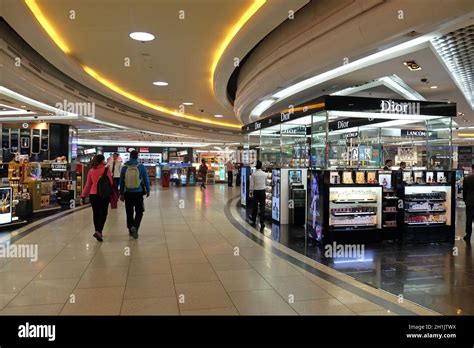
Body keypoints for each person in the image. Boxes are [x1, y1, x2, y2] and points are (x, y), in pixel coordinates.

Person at [80, 154, 113, 242]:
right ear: (102, 161)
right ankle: (99, 231)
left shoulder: (91, 170)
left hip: (93, 195)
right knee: (103, 213)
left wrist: (83, 196)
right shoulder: (106, 169)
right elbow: (111, 182)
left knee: (96, 214)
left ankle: (97, 231)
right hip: (103, 195)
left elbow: (87, 185)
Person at [119, 150, 150, 239]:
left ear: (130, 156)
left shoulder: (124, 167)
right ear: (137, 156)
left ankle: (130, 229)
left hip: (128, 193)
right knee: (139, 211)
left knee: (129, 212)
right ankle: (135, 227)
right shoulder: (141, 167)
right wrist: (148, 190)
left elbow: (121, 181)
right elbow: (146, 180)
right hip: (138, 193)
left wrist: (121, 193)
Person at [249, 160, 266, 232]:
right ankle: (262, 222)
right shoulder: (264, 174)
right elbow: (265, 182)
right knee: (262, 207)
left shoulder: (254, 174)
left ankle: (253, 219)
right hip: (262, 191)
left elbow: (251, 185)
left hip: (256, 192)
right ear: (261, 166)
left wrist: (251, 192)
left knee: (255, 206)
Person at [463, 165, 474, 243]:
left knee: (469, 220)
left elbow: (464, 192)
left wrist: (465, 200)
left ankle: (468, 236)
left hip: (470, 202)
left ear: (472, 169)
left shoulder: (467, 178)